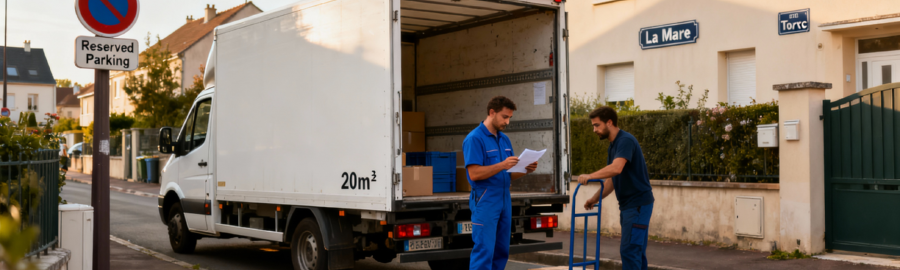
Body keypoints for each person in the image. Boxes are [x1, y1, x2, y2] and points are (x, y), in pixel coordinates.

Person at [463, 96, 537, 270]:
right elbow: (474, 174)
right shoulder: (475, 139)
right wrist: (502, 165)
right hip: (486, 199)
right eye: (505, 117)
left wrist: (526, 169)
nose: (508, 121)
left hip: (504, 199)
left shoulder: (504, 139)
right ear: (491, 113)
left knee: (501, 250)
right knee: (484, 250)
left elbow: (508, 175)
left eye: (510, 117)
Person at [577, 106, 654, 270]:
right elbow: (612, 179)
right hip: (630, 206)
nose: (594, 130)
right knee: (635, 251)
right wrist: (594, 199)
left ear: (609, 122)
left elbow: (616, 168)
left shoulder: (625, 140)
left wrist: (590, 176)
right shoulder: (613, 146)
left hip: (637, 205)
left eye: (597, 125)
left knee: (630, 250)